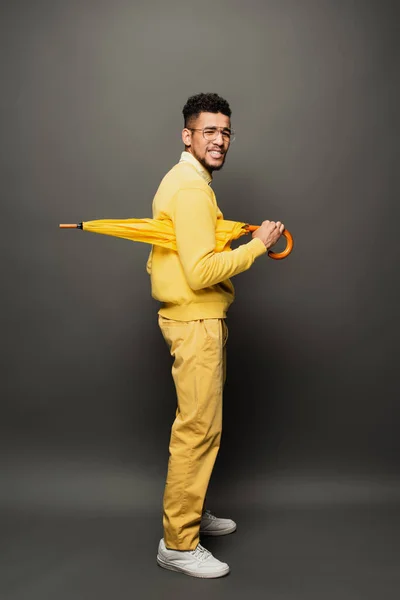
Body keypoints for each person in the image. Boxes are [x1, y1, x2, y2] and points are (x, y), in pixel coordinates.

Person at [146, 93, 284, 578]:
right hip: (194, 321)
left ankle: (191, 510)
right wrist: (257, 247)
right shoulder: (189, 189)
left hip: (197, 320)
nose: (220, 140)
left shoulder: (190, 183)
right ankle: (178, 543)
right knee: (197, 430)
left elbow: (192, 248)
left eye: (225, 131)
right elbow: (201, 270)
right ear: (188, 135)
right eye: (209, 131)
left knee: (205, 426)